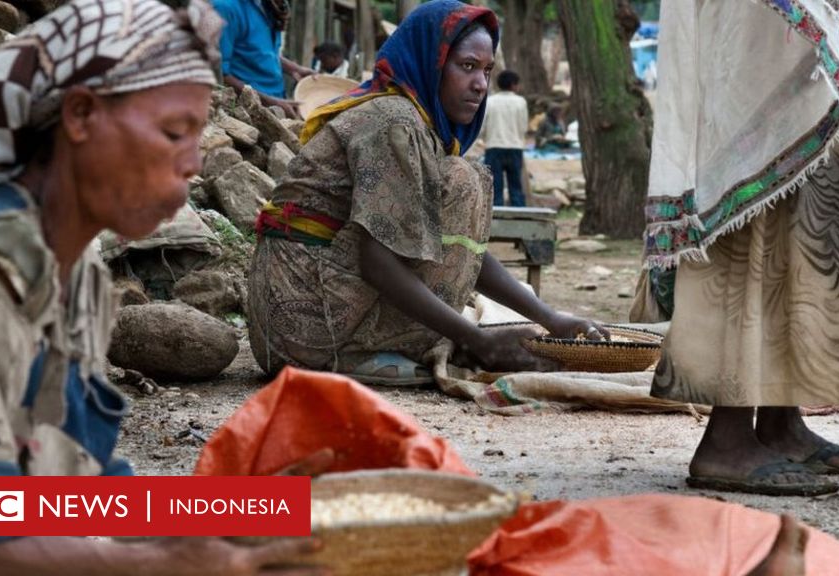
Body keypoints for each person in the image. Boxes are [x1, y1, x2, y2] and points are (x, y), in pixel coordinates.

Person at [0, 1, 324, 574]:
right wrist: (159, 563)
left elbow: (69, 495)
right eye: (173, 132)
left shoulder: (79, 274)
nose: (192, 163)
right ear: (82, 115)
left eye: (199, 136)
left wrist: (239, 508)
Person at [247, 0, 608, 386]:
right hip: (304, 331)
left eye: (486, 70)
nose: (480, 84)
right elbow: (377, 262)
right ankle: (354, 353)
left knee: (461, 176)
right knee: (461, 180)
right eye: (467, 66)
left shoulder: (417, 125)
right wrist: (477, 340)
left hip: (309, 313)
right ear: (431, 61)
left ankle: (394, 343)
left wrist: (550, 318)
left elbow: (462, 250)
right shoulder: (393, 122)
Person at [639, 0, 839, 495]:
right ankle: (728, 437)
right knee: (751, 197)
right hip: (763, 27)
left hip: (820, 24)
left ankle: (781, 421)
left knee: (799, 222)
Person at [212, 0, 315, 119]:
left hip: (276, 100)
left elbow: (261, 52)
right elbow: (219, 74)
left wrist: (294, 69)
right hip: (246, 112)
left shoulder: (267, 6)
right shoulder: (225, 8)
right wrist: (270, 102)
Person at [478, 70, 528, 207]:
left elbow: (482, 126)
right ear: (513, 85)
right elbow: (523, 127)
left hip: (494, 147)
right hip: (515, 148)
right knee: (516, 186)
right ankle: (520, 217)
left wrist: (484, 138)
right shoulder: (521, 102)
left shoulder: (490, 101)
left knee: (495, 186)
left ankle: (495, 219)